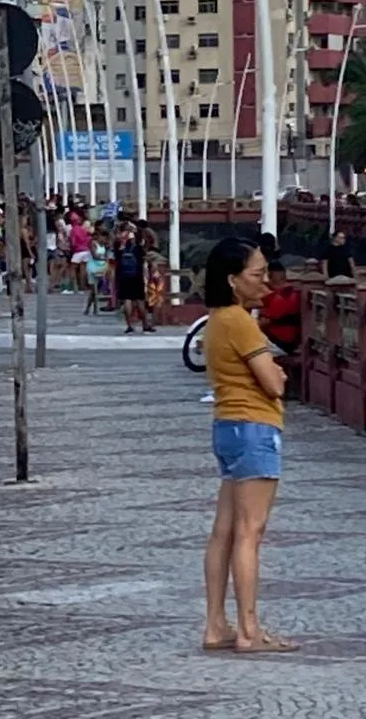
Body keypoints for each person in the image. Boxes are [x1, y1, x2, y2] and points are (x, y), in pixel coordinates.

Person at [202, 237, 296, 655]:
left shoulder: (216, 319)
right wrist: (278, 374)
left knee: (224, 531)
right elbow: (272, 382)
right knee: (250, 533)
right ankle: (249, 629)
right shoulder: (240, 321)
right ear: (232, 280)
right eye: (256, 275)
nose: (265, 282)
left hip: (227, 426)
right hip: (255, 426)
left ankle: (216, 624)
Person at [260, 261, 301, 357]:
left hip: (279, 345)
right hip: (290, 343)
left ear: (269, 276)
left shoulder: (280, 297)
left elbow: (263, 322)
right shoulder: (293, 292)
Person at [113, 225, 148, 333]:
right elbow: (144, 260)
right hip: (136, 276)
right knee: (139, 301)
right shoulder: (138, 249)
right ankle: (145, 325)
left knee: (127, 300)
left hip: (123, 276)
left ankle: (129, 325)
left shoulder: (119, 249)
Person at [69, 208, 91, 292]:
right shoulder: (82, 229)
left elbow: (73, 243)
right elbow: (88, 238)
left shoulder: (73, 230)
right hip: (86, 249)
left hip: (77, 251)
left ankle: (73, 285)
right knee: (83, 269)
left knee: (72, 268)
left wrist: (71, 247)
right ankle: (82, 285)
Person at [84, 236, 108, 316]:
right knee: (94, 289)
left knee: (96, 290)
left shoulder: (104, 245)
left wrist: (103, 258)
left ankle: (88, 308)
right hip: (93, 267)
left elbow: (104, 257)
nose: (105, 239)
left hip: (101, 268)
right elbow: (95, 256)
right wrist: (104, 258)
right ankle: (95, 307)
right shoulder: (93, 244)